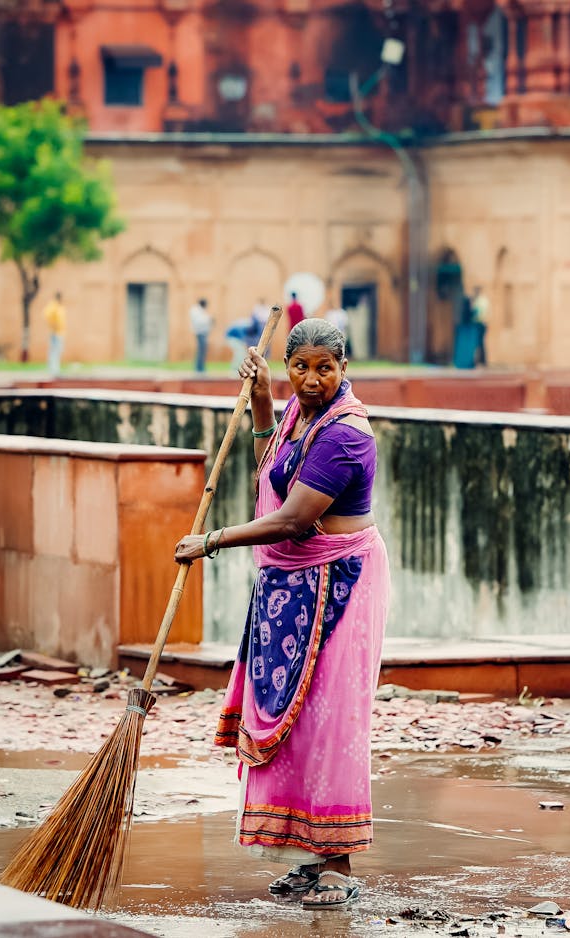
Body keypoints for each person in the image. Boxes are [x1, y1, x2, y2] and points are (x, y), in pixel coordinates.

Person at [174, 318, 390, 910]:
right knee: (295, 731)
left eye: (326, 368)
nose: (313, 379)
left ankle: (338, 863)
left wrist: (210, 540)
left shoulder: (346, 436)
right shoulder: (299, 414)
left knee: (329, 724)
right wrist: (266, 400)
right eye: (302, 368)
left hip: (339, 583)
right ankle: (306, 854)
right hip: (290, 587)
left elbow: (294, 518)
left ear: (344, 369)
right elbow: (273, 469)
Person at [42, 291, 66, 377]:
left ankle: (55, 370)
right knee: (55, 351)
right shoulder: (54, 306)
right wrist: (53, 325)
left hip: (59, 332)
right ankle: (53, 371)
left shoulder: (58, 306)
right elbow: (47, 315)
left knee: (56, 351)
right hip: (56, 332)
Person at [189, 297, 212, 372]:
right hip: (200, 333)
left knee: (202, 351)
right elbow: (200, 321)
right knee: (201, 351)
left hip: (202, 333)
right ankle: (199, 368)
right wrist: (209, 319)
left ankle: (200, 367)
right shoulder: (196, 310)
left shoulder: (199, 310)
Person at [471, 285, 490, 366]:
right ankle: (479, 360)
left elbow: (479, 313)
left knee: (480, 342)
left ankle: (482, 361)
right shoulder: (478, 300)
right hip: (479, 323)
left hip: (481, 323)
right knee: (478, 342)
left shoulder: (480, 301)